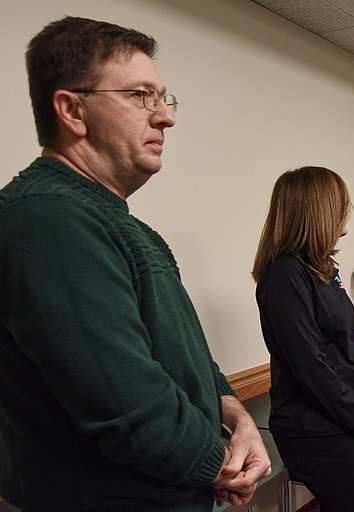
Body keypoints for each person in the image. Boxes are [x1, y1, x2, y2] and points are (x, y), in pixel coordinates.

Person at [0, 17, 270, 511]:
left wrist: (238, 418)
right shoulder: (48, 219)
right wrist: (223, 467)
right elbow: (130, 410)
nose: (165, 117)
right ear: (72, 110)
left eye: (164, 98)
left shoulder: (125, 226)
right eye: (141, 95)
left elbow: (185, 356)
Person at [252, 166, 354, 512]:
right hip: (315, 430)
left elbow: (349, 344)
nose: (347, 213)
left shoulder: (323, 269)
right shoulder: (284, 275)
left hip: (344, 418)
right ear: (320, 212)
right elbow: (310, 365)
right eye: (341, 204)